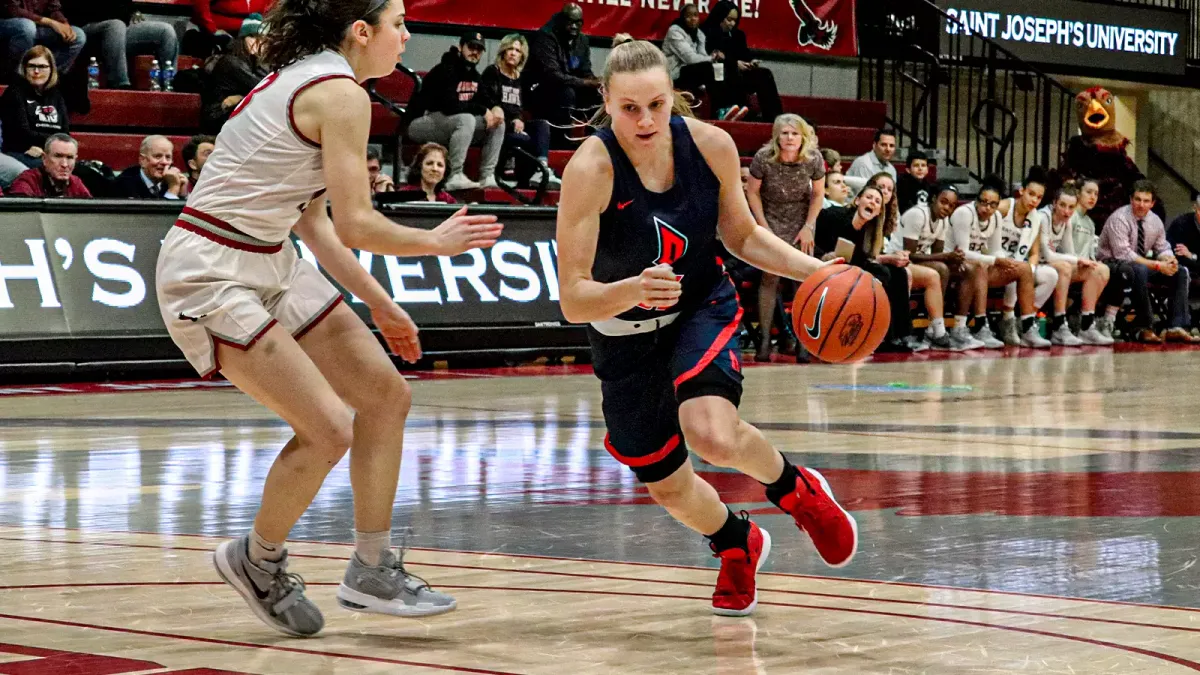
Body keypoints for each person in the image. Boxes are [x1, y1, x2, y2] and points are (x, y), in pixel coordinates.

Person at [157, 0, 504, 637]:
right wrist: (434, 242)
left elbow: (315, 226)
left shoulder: (317, 81)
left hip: (270, 256)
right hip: (210, 266)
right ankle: (257, 559)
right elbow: (358, 224)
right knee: (327, 429)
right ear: (362, 31)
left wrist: (381, 303)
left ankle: (372, 568)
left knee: (385, 395)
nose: (408, 36)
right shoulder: (339, 93)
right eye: (399, 23)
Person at [556, 40, 857, 618]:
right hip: (623, 334)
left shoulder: (710, 145)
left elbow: (741, 236)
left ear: (673, 96)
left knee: (712, 433)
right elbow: (573, 298)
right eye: (629, 108)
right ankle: (736, 542)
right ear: (606, 101)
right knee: (668, 486)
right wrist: (632, 290)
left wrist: (817, 272)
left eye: (656, 105)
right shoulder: (590, 170)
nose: (645, 121)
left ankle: (797, 490)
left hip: (698, 305)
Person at [745, 114, 824, 361]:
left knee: (802, 279)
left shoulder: (813, 159)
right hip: (770, 217)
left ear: (803, 137)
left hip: (801, 221)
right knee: (769, 277)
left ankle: (803, 340)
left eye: (795, 133)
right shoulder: (763, 158)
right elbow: (752, 192)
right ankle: (764, 340)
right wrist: (763, 226)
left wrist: (809, 225)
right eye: (785, 133)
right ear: (776, 136)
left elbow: (818, 194)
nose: (790, 138)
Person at [948, 178, 1050, 348]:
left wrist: (1005, 261)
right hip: (953, 265)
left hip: (978, 266)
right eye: (984, 202)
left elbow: (996, 250)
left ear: (997, 205)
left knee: (1023, 268)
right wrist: (995, 260)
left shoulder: (995, 217)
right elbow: (963, 253)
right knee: (980, 266)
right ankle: (980, 326)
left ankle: (1026, 327)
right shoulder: (964, 213)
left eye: (992, 204)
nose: (987, 207)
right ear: (976, 200)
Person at [1098, 180, 1197, 343]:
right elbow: (1123, 254)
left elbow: (1162, 247)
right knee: (1140, 269)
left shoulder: (1155, 221)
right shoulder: (1119, 218)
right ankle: (1144, 326)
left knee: (1180, 271)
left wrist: (1169, 259)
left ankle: (1176, 326)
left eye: (1146, 201)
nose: (1141, 205)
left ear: (1152, 203)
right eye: (1137, 199)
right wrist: (1157, 265)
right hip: (1112, 265)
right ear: (1131, 199)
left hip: (1140, 265)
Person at [889, 183, 985, 350]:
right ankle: (934, 329)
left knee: (969, 269)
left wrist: (955, 259)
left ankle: (959, 327)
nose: (947, 208)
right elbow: (910, 254)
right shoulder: (917, 215)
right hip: (896, 261)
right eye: (943, 202)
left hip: (917, 262)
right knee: (941, 269)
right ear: (933, 199)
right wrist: (947, 257)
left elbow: (937, 254)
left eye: (951, 205)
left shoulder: (943, 221)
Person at [406, 31, 504, 191]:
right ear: (460, 47)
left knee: (498, 123)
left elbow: (487, 99)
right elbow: (449, 106)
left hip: (448, 124)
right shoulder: (445, 69)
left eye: (479, 49)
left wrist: (496, 108)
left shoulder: (474, 75)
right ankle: (455, 175)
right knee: (466, 119)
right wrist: (482, 109)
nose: (475, 52)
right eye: (471, 47)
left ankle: (487, 175)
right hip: (420, 123)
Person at [1035, 185, 1112, 345]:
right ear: (1054, 203)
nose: (1067, 211)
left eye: (1071, 207)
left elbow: (1070, 252)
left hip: (1051, 265)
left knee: (1100, 270)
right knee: (1065, 267)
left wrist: (1084, 261)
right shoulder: (1042, 217)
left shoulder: (1067, 222)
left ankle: (1086, 325)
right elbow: (1048, 255)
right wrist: (1078, 260)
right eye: (1062, 205)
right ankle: (1059, 325)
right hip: (1034, 263)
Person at [479, 33, 558, 187]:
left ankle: (541, 170)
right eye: (510, 49)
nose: (513, 53)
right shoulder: (492, 72)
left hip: (516, 125)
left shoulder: (521, 78)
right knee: (524, 139)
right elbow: (489, 101)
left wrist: (519, 119)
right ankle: (510, 173)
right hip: (498, 125)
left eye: (517, 51)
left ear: (522, 56)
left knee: (542, 125)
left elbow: (522, 106)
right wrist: (513, 120)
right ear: (503, 51)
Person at [993, 169, 1057, 348]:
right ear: (1021, 191)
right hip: (995, 259)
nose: (1034, 200)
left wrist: (1031, 269)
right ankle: (1008, 319)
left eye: (1039, 197)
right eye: (1031, 194)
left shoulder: (1036, 218)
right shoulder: (1003, 208)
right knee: (1018, 270)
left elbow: (1034, 253)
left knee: (1050, 275)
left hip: (1016, 262)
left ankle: (1024, 319)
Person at [522, 4, 601, 147]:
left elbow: (585, 71)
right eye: (570, 22)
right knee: (566, 92)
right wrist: (585, 82)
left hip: (569, 86)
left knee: (599, 94)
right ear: (561, 20)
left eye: (578, 22)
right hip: (539, 91)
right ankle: (560, 141)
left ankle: (595, 142)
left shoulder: (582, 40)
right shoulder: (545, 37)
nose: (574, 26)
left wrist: (596, 82)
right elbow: (553, 76)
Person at [60, 0, 177, 89]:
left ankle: (169, 85)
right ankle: (120, 84)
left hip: (119, 30)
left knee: (165, 31)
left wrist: (133, 12)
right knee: (116, 25)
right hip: (85, 31)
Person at [699, 0, 782, 122]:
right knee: (723, 71)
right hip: (718, 74)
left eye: (735, 20)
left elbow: (744, 54)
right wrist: (734, 63)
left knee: (764, 74)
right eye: (729, 19)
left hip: (739, 73)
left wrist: (751, 62)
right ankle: (726, 111)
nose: (732, 24)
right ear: (720, 17)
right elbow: (709, 56)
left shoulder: (738, 35)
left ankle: (774, 118)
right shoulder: (704, 33)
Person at [0, 46, 70, 185]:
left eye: (42, 67)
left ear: (51, 69)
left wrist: (47, 149)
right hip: (21, 151)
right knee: (48, 169)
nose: (36, 71)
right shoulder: (14, 93)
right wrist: (49, 146)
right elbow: (22, 133)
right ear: (24, 68)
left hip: (49, 152)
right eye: (32, 66)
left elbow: (65, 133)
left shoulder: (56, 95)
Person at [200, 16, 267, 134]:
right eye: (252, 36)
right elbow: (262, 87)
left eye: (262, 39)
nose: (258, 42)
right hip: (218, 116)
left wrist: (240, 97)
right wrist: (261, 61)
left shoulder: (251, 63)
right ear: (242, 39)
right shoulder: (231, 63)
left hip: (232, 115)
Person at [0, 0, 86, 74]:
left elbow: (54, 9)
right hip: (9, 24)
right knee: (27, 27)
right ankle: (17, 76)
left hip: (38, 26)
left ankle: (47, 77)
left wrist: (64, 24)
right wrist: (51, 22)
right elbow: (13, 10)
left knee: (78, 35)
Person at [7, 131, 89, 196]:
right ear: (44, 158)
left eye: (69, 157)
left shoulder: (76, 182)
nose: (64, 164)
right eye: (58, 156)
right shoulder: (28, 181)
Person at [111, 134, 185, 198]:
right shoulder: (123, 185)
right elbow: (156, 211)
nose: (164, 162)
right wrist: (173, 189)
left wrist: (183, 195)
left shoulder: (172, 180)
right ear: (142, 160)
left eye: (168, 157)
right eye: (158, 156)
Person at [844, 128, 896, 195]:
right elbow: (865, 196)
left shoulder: (892, 169)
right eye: (883, 145)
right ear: (874, 145)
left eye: (891, 146)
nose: (888, 149)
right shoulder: (864, 164)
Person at [1166, 193, 1200, 279]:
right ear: (1195, 208)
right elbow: (1178, 256)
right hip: (1188, 273)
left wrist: (1192, 256)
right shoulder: (1181, 224)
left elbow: (1189, 257)